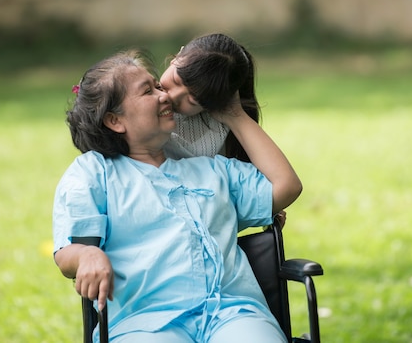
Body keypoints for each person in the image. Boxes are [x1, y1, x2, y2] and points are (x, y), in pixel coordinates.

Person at [52, 49, 302, 342]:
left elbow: (287, 186)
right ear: (115, 120)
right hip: (144, 321)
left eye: (158, 85)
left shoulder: (213, 170)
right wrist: (87, 254)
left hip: (232, 313)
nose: (164, 96)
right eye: (148, 91)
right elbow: (68, 253)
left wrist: (233, 113)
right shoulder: (93, 173)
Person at [160, 33, 259, 162]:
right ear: (178, 55)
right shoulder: (138, 100)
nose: (172, 96)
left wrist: (237, 115)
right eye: (176, 80)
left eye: (192, 101)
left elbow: (284, 179)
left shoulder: (216, 133)